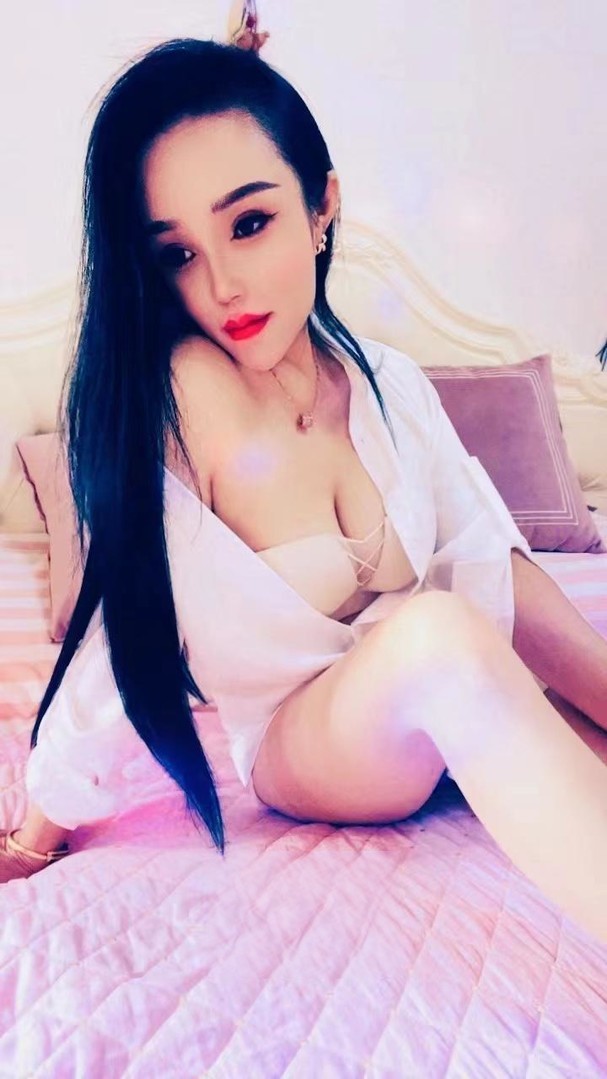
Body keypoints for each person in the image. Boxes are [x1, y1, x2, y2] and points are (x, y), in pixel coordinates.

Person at [1, 38, 607, 946]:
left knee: (493, 663)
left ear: (322, 205)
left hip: (429, 704)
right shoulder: (176, 404)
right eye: (176, 253)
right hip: (303, 742)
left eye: (249, 223)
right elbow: (122, 638)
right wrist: (36, 833)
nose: (221, 285)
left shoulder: (387, 380)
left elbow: (490, 563)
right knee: (439, 634)